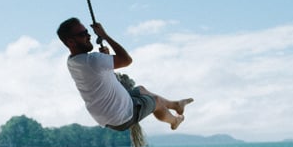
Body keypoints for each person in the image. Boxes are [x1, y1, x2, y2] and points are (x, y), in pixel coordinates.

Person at [57, 17, 193, 132]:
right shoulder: (93, 61)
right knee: (156, 102)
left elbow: (99, 75)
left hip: (107, 115)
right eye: (83, 34)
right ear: (71, 42)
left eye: (87, 32)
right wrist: (105, 35)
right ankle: (175, 121)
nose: (89, 35)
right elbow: (127, 60)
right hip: (121, 116)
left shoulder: (73, 61)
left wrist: (106, 58)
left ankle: (176, 105)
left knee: (141, 90)